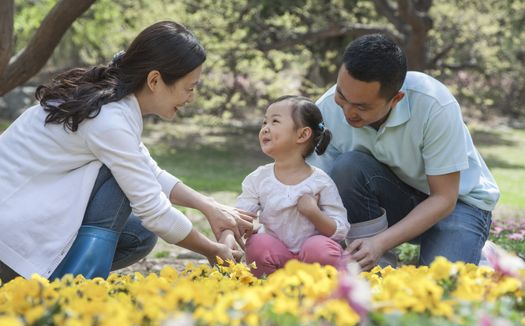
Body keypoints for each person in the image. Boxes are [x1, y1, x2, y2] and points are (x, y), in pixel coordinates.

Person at [0, 21, 254, 283]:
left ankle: (58, 275)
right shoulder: (110, 120)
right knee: (122, 184)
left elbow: (148, 169)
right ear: (155, 80)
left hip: (19, 218)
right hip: (12, 242)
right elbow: (154, 210)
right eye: (189, 88)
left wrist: (209, 206)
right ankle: (71, 287)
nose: (190, 98)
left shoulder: (106, 104)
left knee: (139, 236)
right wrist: (213, 250)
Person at [307, 34, 500, 271]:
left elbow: (444, 198)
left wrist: (379, 242)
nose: (347, 112)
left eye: (361, 106)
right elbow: (310, 185)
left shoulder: (434, 104)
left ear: (396, 99)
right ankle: (376, 269)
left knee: (440, 288)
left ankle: (481, 254)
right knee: (348, 167)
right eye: (342, 96)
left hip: (458, 204)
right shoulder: (326, 108)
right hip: (396, 199)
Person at [220, 96, 351, 278]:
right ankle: (272, 286)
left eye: (275, 121)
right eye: (264, 122)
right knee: (258, 244)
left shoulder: (320, 182)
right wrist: (228, 237)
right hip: (276, 259)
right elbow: (239, 218)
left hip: (314, 265)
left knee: (319, 248)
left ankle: (324, 286)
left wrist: (313, 212)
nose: (265, 128)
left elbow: (340, 230)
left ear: (302, 135)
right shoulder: (258, 179)